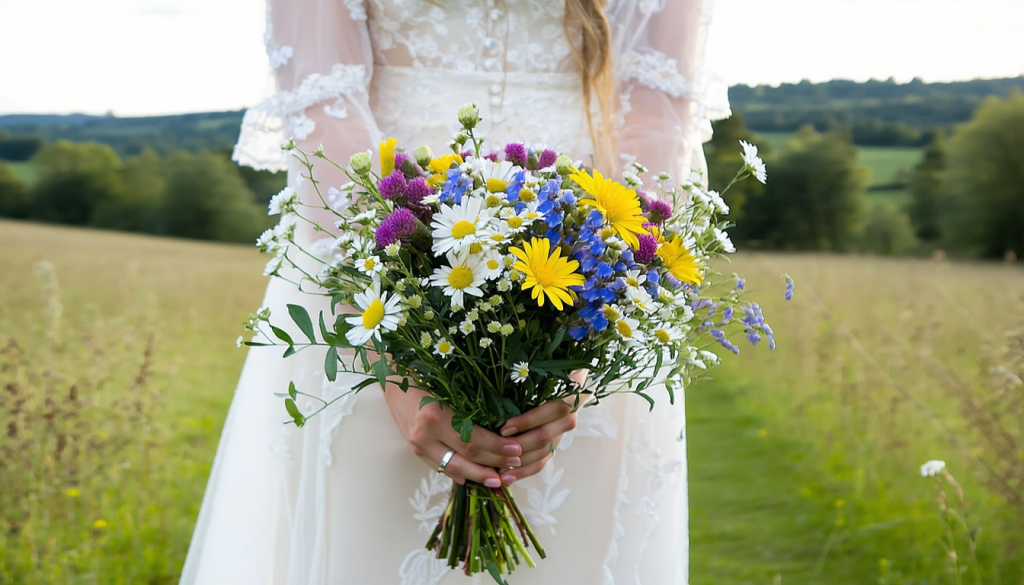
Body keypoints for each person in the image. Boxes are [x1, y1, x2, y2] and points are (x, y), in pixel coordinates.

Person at [181, 1, 729, 583]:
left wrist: (580, 344)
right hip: (374, 280)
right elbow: (326, 110)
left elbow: (655, 126)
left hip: (586, 281)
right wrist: (394, 359)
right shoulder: (381, 309)